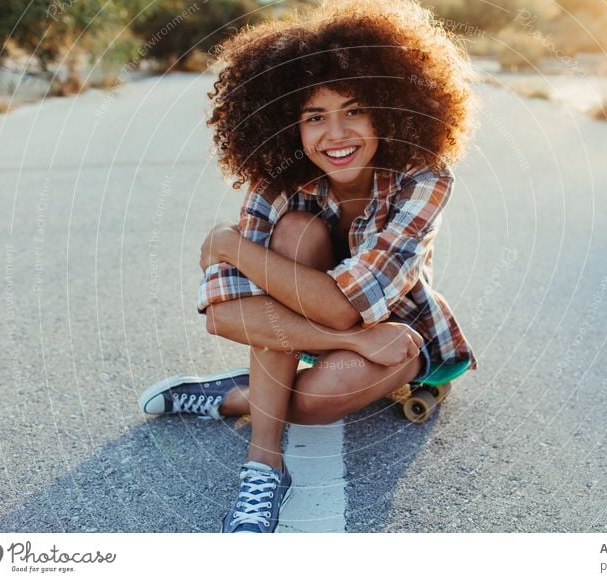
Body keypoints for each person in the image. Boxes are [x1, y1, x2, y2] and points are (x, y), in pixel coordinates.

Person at [139, 0, 478, 533]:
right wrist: (352, 342)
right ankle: (263, 468)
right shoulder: (277, 179)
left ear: (389, 109)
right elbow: (224, 315)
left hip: (398, 328)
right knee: (297, 233)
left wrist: (230, 243)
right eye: (314, 117)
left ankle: (238, 394)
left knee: (316, 403)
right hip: (358, 335)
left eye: (354, 110)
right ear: (287, 125)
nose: (336, 134)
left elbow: (348, 310)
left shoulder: (422, 177)